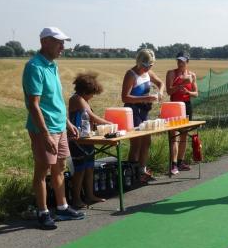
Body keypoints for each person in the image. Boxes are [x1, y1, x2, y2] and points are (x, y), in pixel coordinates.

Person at [22, 27, 85, 230]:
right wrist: (45, 134)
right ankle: (43, 212)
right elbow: (34, 105)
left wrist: (67, 123)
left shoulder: (53, 65)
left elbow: (55, 99)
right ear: (45, 42)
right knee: (42, 170)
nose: (62, 47)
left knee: (60, 167)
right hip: (44, 129)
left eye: (63, 43)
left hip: (59, 126)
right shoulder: (34, 67)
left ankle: (62, 207)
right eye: (59, 42)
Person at [68, 72, 113, 208]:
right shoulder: (77, 99)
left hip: (87, 139)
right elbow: (91, 116)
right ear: (84, 91)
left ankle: (90, 195)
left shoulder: (83, 99)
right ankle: (76, 199)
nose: (92, 96)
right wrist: (109, 123)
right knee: (80, 170)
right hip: (77, 141)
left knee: (89, 168)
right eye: (92, 94)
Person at [121, 48, 164, 183]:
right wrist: (146, 98)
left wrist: (160, 92)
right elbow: (125, 97)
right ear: (139, 62)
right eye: (145, 66)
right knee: (136, 144)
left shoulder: (148, 72)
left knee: (146, 141)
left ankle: (142, 171)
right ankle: (131, 175)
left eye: (150, 65)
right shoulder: (131, 74)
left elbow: (160, 83)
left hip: (144, 111)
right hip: (133, 112)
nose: (147, 68)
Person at [165, 51, 198, 175]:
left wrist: (188, 92)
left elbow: (196, 93)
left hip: (187, 106)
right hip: (174, 106)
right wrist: (179, 85)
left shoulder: (192, 75)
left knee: (184, 134)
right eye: (178, 61)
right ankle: (173, 165)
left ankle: (180, 162)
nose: (180, 63)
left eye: (182, 61)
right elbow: (169, 91)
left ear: (187, 61)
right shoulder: (171, 73)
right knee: (174, 135)